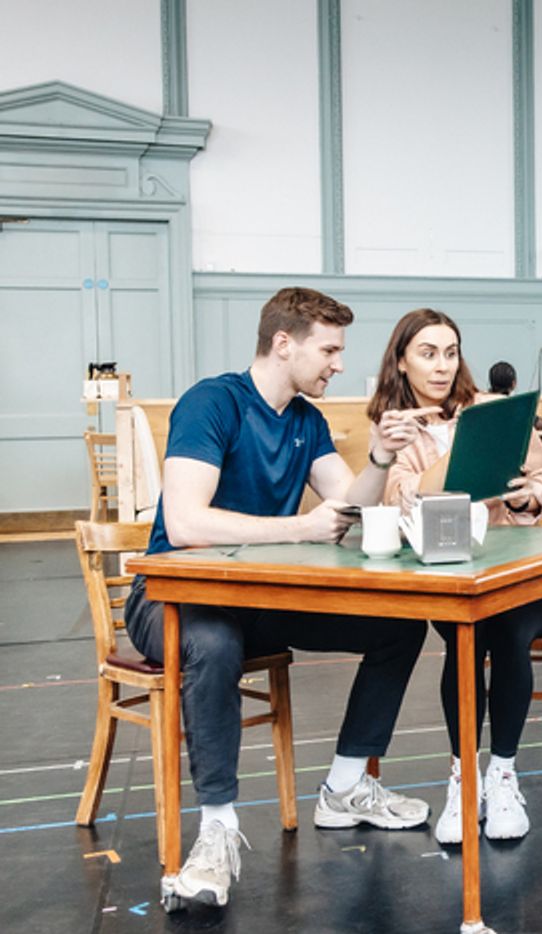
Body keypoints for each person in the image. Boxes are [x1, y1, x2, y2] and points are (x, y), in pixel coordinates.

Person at [123, 287, 431, 910]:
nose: (338, 364)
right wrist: (298, 527)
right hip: (172, 598)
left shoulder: (306, 421)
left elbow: (348, 505)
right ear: (283, 343)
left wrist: (379, 456)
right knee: (213, 641)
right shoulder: (212, 404)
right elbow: (185, 526)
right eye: (329, 349)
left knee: (400, 626)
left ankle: (346, 786)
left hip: (258, 596)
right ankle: (217, 828)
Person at [368, 308, 542, 843]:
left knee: (512, 635)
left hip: (520, 570)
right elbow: (396, 499)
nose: (442, 365)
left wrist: (527, 495)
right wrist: (444, 449)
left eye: (450, 352)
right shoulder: (394, 431)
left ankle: (502, 773)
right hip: (452, 576)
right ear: (401, 362)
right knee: (465, 642)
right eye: (427, 354)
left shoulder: (494, 410)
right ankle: (462, 778)